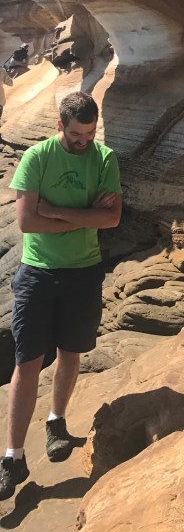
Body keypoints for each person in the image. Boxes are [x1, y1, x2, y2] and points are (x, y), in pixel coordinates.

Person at [0, 91, 122, 500]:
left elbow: (112, 217)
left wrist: (57, 211)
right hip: (38, 273)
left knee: (71, 353)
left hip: (83, 272)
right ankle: (13, 457)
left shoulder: (104, 158)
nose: (83, 141)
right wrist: (85, 217)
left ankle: (57, 423)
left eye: (89, 133)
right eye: (75, 135)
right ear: (60, 126)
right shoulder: (37, 158)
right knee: (27, 363)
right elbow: (27, 222)